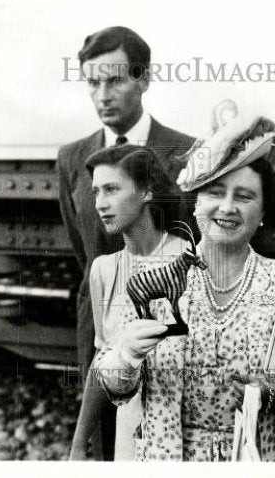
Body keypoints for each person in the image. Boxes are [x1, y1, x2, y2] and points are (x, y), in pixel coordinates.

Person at [93, 109, 275, 461]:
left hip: (264, 457)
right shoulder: (148, 277)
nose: (227, 208)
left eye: (244, 197)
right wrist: (126, 356)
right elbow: (112, 383)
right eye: (215, 192)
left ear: (262, 214)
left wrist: (273, 394)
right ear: (196, 203)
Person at [57, 26, 195, 459]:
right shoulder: (72, 158)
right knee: (104, 440)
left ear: (144, 79)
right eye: (93, 82)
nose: (103, 94)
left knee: (167, 436)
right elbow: (84, 247)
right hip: (98, 319)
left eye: (115, 80)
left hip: (169, 324)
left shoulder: (184, 152)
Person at [69, 145, 189, 460]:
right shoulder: (104, 269)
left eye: (112, 190)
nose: (100, 204)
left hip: (187, 434)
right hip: (132, 433)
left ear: (147, 191)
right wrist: (79, 443)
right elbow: (103, 358)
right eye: (96, 192)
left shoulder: (189, 260)